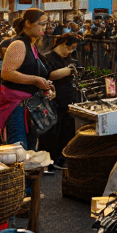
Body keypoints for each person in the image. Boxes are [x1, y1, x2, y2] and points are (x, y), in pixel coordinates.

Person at [0, 10, 53, 148]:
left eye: (46, 24)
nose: (44, 27)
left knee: (30, 149)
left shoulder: (31, 46)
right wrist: (35, 80)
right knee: (19, 149)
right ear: (28, 23)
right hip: (16, 105)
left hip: (29, 105)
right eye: (41, 23)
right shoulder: (19, 45)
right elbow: (7, 73)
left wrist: (45, 84)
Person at [39, 33, 81, 171]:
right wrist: (68, 71)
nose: (70, 52)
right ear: (62, 44)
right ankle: (49, 161)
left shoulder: (68, 58)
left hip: (68, 100)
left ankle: (61, 160)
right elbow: (49, 75)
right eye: (70, 48)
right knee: (52, 132)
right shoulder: (48, 58)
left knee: (66, 131)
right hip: (53, 101)